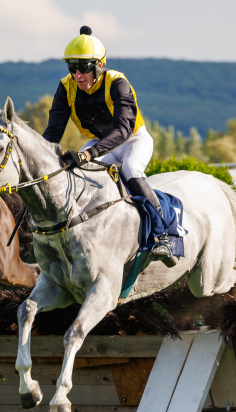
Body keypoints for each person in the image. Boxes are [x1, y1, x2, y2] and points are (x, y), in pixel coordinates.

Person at [43, 26, 176, 267]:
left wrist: (88, 153)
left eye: (83, 68)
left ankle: (163, 236)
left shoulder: (118, 83)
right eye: (72, 67)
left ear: (99, 65)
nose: (77, 75)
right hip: (100, 143)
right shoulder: (65, 87)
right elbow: (53, 132)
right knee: (76, 176)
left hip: (133, 139)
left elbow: (123, 130)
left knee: (131, 171)